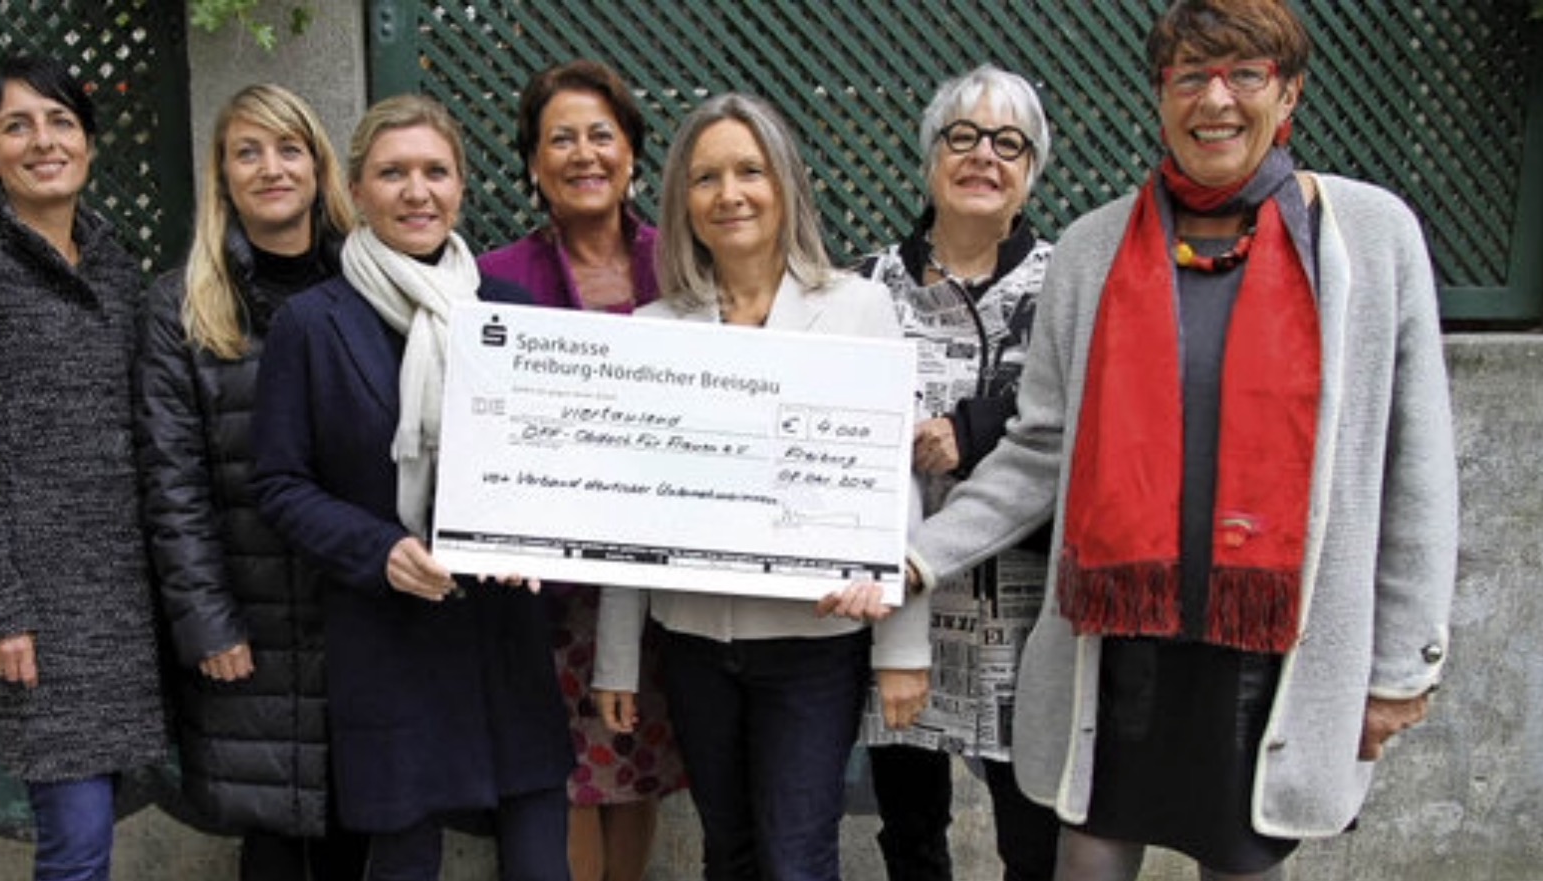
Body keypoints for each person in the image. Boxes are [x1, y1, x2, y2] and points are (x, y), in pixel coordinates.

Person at [826, 1, 1459, 879]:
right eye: (1189, 76)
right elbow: (1039, 447)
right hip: (1116, 647)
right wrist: (917, 557)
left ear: (1289, 96)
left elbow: (1415, 462)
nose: (1216, 99)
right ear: (1160, 97)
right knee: (1085, 856)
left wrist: (1403, 662)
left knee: (1241, 861)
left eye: (1245, 74)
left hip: (1271, 649)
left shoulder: (1367, 234)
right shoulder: (1092, 250)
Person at [592, 93, 931, 881]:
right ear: (683, 202)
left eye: (749, 170)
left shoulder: (857, 309)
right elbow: (624, 505)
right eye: (706, 177)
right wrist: (616, 657)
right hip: (693, 645)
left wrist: (902, 645)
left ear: (785, 184)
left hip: (814, 644)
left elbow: (896, 484)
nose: (729, 193)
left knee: (797, 857)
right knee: (729, 851)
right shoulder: (653, 328)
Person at [251, 94, 573, 881]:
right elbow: (280, 482)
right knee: (401, 862)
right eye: (392, 173)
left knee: (539, 862)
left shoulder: (508, 311)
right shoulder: (312, 322)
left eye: (435, 171)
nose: (416, 191)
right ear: (357, 190)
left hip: (504, 634)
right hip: (388, 637)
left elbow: (550, 459)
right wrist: (379, 550)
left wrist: (531, 527)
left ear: (462, 185)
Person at [0, 54, 167, 880]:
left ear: (87, 142)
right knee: (77, 843)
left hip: (136, 595)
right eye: (16, 126)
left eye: (61, 122)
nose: (42, 142)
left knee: (103, 823)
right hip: (37, 603)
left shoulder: (123, 272)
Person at [136, 84, 367, 879]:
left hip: (361, 602)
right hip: (252, 614)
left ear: (318, 164)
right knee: (272, 833)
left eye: (288, 148)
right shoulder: (181, 305)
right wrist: (207, 621)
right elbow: (173, 484)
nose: (271, 168)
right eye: (248, 151)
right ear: (223, 175)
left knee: (358, 822)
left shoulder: (370, 285)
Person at [478, 59, 685, 881]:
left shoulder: (685, 264)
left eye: (602, 134)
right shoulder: (494, 280)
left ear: (633, 153)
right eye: (559, 138)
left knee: (639, 767)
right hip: (549, 590)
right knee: (567, 778)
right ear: (532, 163)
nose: (583, 153)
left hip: (661, 574)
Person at [856, 64, 1060, 881]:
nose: (984, 156)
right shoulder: (866, 283)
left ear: (1031, 171)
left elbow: (1092, 411)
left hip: (1024, 604)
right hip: (900, 598)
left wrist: (973, 428)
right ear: (929, 155)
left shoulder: (1068, 280)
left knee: (1033, 829)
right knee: (908, 828)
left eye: (1009, 143)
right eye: (963, 136)